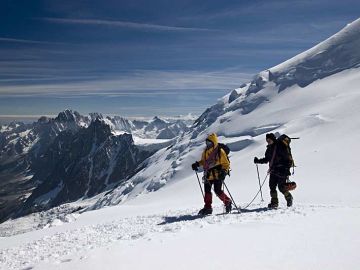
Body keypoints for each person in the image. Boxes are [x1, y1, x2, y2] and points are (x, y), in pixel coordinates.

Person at [191, 133, 232, 215]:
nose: (208, 144)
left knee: (218, 190)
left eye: (209, 143)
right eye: (207, 143)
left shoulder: (220, 151)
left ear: (214, 142)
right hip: (208, 174)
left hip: (218, 174)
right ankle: (208, 207)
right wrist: (197, 164)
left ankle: (228, 202)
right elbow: (204, 161)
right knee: (207, 191)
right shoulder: (205, 151)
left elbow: (226, 163)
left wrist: (223, 172)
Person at [254, 133, 293, 208]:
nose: (268, 141)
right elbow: (266, 159)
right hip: (273, 170)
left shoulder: (280, 147)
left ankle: (289, 198)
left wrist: (286, 169)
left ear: (273, 139)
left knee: (281, 187)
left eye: (269, 140)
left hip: (282, 170)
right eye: (267, 140)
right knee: (272, 186)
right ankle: (274, 203)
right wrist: (258, 161)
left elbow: (288, 159)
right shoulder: (269, 149)